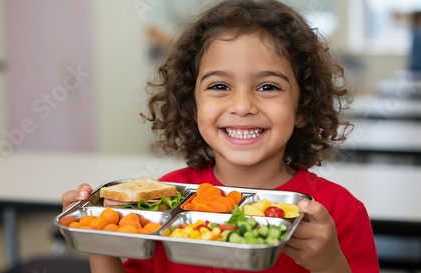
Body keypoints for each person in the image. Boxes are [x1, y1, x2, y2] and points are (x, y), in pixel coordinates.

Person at [61, 0, 379, 272]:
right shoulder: (163, 198)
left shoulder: (341, 212)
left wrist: (330, 264)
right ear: (192, 103)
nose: (242, 106)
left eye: (268, 87)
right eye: (219, 86)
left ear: (302, 108)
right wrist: (97, 234)